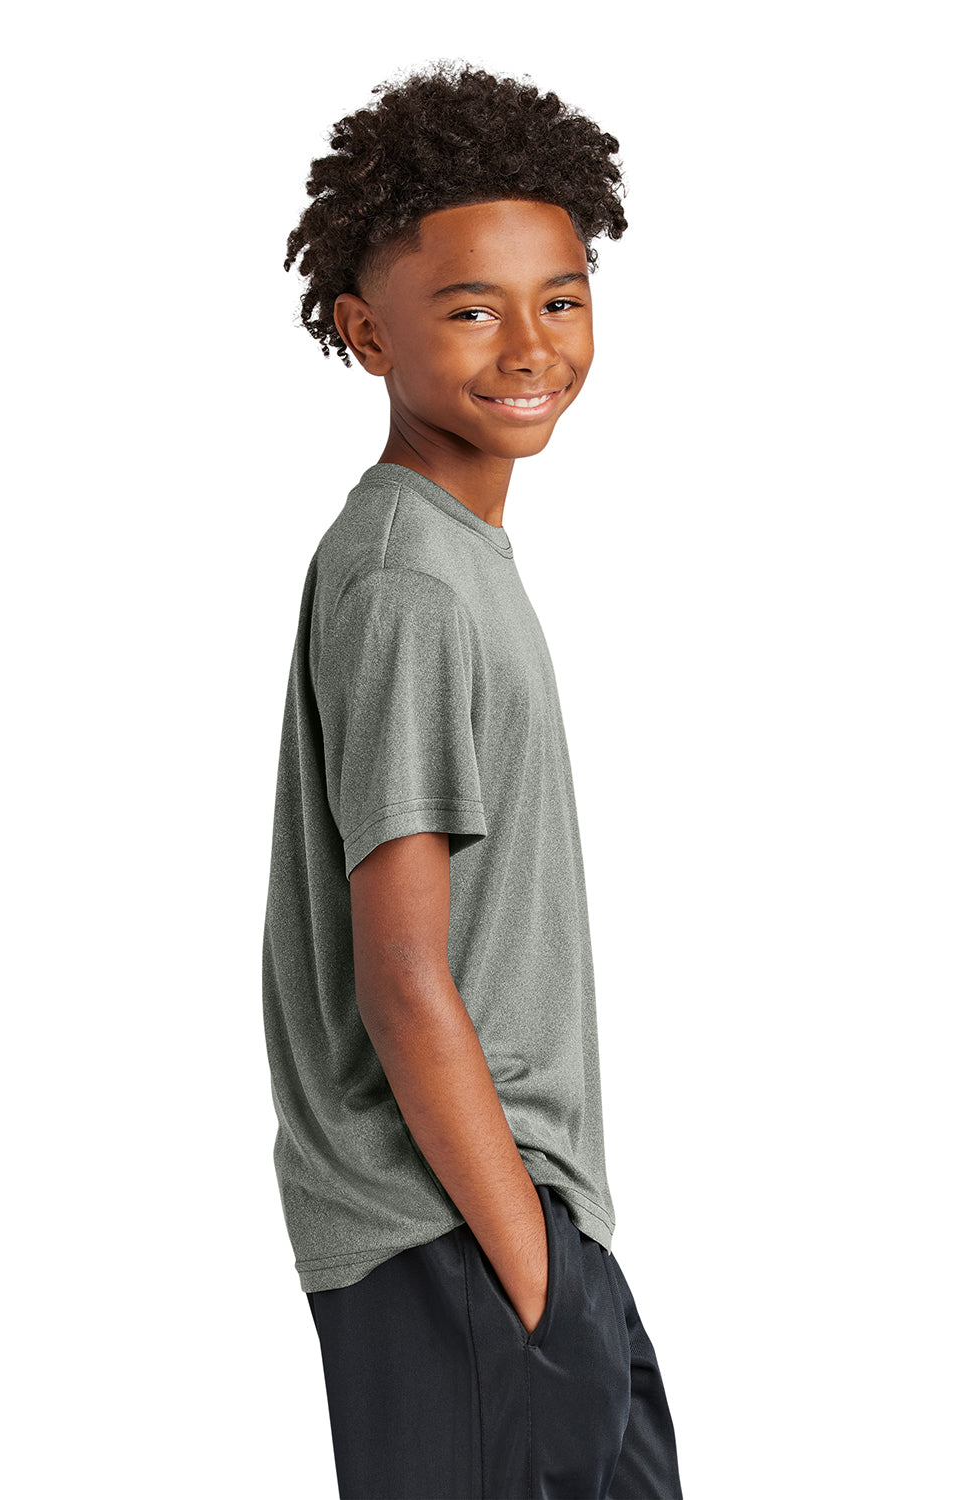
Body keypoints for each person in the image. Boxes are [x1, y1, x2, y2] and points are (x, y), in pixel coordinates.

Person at [262, 61, 684, 1500]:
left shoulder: (451, 556)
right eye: (470, 310)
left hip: (512, 1230)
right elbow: (402, 975)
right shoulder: (408, 583)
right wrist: (536, 1285)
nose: (530, 345)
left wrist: (559, 1269)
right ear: (365, 330)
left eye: (560, 298)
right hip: (454, 1236)